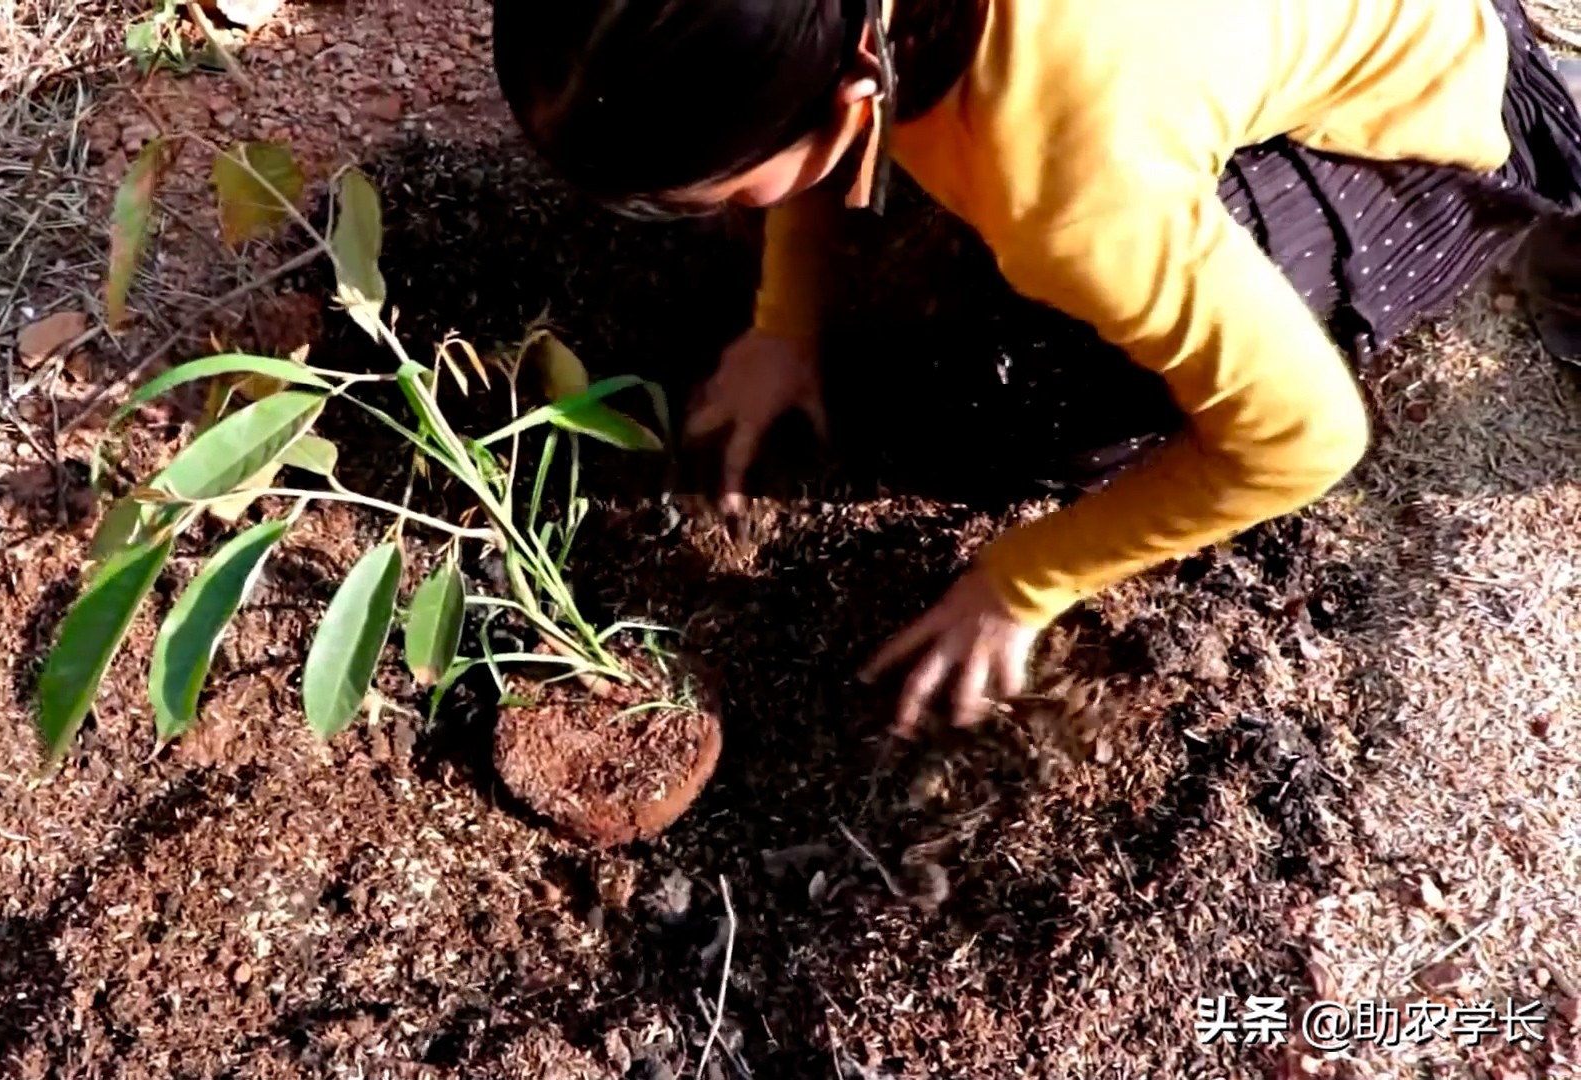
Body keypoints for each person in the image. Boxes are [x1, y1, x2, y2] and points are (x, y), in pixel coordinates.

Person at [490, 0, 1581, 735]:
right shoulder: (851, 36)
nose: (723, 214)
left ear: (849, 101)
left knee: (1022, 395)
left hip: (1442, 89)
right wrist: (784, 324)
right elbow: (820, 89)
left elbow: (1302, 439)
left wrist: (1023, 580)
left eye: (729, 188)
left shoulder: (1071, 195)